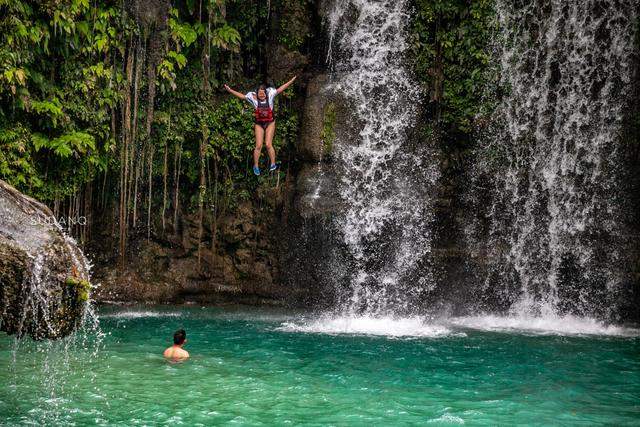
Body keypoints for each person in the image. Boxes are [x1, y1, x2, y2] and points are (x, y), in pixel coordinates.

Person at [224, 76, 297, 175]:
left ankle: (273, 163)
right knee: (258, 145)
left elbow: (281, 89)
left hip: (270, 122)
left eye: (263, 94)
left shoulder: (270, 94)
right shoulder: (252, 97)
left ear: (266, 93)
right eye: (260, 94)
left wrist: (291, 81)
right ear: (257, 94)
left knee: (268, 144)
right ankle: (256, 166)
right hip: (259, 124)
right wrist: (230, 90)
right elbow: (242, 96)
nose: (262, 95)